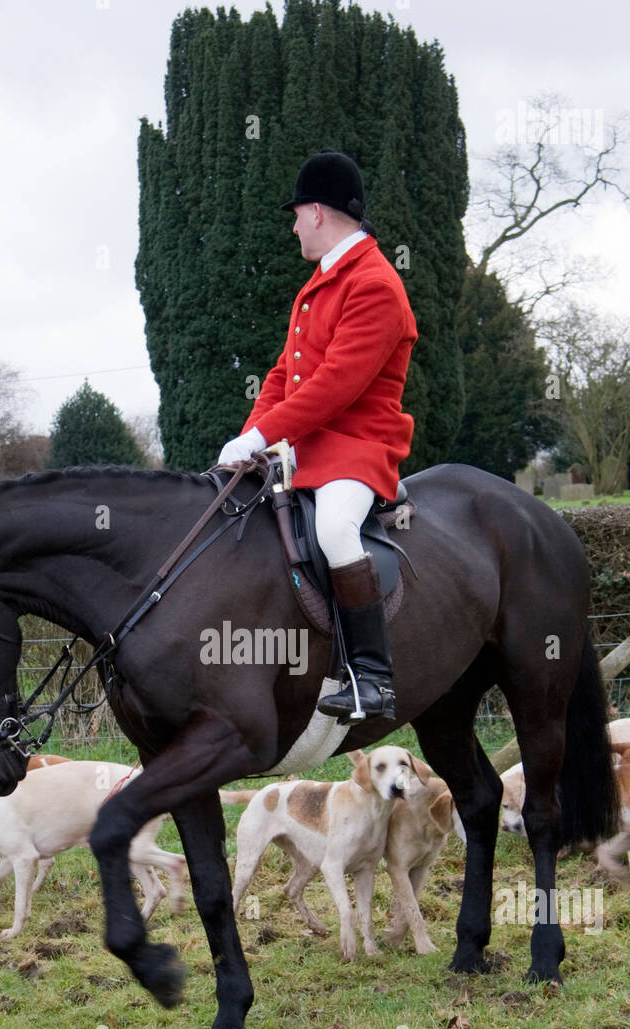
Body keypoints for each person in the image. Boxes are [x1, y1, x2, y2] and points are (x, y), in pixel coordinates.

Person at [218, 149, 417, 723]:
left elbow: (336, 386)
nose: (293, 224)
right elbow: (285, 374)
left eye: (297, 213)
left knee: (333, 527)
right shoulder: (319, 285)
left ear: (319, 212)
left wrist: (266, 434)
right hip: (306, 448)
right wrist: (250, 436)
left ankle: (372, 680)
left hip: (359, 447)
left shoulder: (375, 284)